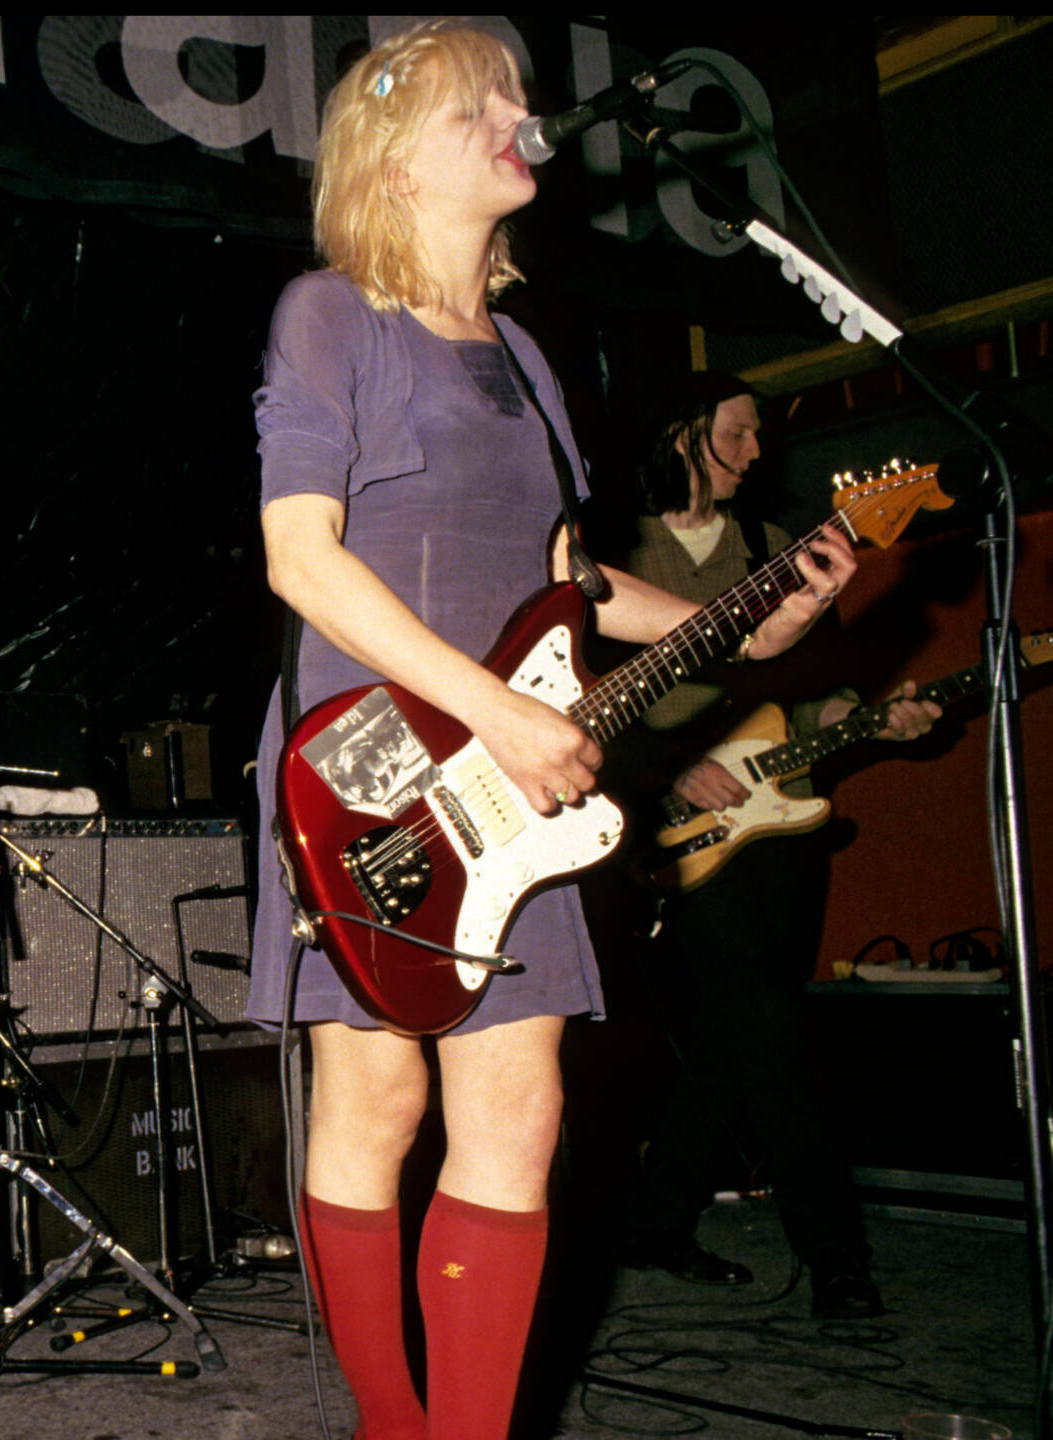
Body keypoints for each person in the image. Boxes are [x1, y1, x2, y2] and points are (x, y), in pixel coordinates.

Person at [243, 25, 857, 1438]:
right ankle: (395, 1427)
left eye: (522, 97)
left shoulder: (524, 349)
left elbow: (565, 581)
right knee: (374, 1103)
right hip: (370, 759)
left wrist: (749, 618)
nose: (526, 118)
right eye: (488, 103)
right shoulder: (330, 314)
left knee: (514, 1122)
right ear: (394, 154)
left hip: (514, 767)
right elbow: (302, 559)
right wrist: (496, 713)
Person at [608, 374, 937, 1319]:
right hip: (671, 828)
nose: (756, 454)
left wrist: (868, 718)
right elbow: (579, 688)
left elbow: (814, 692)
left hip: (781, 818)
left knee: (734, 1036)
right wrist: (669, 772)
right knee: (771, 1036)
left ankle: (655, 1222)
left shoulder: (771, 552)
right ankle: (836, 1256)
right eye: (738, 434)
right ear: (683, 434)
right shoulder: (622, 546)